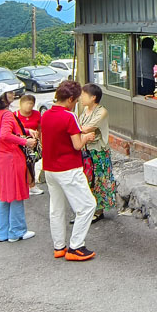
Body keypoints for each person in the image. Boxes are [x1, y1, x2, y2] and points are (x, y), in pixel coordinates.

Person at [41, 80, 97, 261]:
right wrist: (86, 137)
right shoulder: (68, 116)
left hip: (50, 168)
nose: (76, 104)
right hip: (68, 169)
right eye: (76, 100)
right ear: (70, 99)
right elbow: (77, 145)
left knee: (56, 208)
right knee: (88, 205)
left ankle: (59, 246)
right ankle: (76, 246)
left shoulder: (46, 115)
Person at [0, 83, 36, 243]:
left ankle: (2, 232)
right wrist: (26, 142)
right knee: (16, 195)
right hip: (12, 158)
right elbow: (5, 135)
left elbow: (5, 132)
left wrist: (25, 132)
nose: (12, 94)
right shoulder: (7, 114)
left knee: (5, 196)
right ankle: (17, 231)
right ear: (2, 97)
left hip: (2, 158)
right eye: (8, 93)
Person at [78, 83, 116, 223]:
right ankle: (87, 210)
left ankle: (98, 210)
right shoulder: (85, 110)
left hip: (99, 152)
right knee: (86, 180)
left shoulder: (101, 111)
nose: (81, 97)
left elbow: (86, 128)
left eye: (84, 95)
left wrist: (76, 129)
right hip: (86, 150)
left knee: (99, 180)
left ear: (93, 97)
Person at [16, 94, 44, 196]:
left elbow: (40, 128)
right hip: (21, 144)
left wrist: (40, 140)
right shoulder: (16, 115)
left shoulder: (36, 114)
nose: (29, 106)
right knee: (22, 165)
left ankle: (31, 185)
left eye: (31, 104)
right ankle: (23, 186)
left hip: (33, 144)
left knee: (31, 164)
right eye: (27, 104)